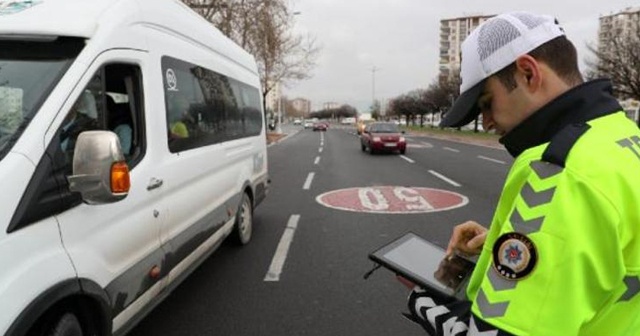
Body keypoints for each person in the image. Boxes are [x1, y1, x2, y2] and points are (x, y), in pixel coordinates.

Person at [406, 12, 640, 335]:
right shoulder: (622, 135)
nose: (486, 122)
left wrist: (424, 303)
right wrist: (521, 241)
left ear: (528, 73)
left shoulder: (559, 171)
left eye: (487, 103)